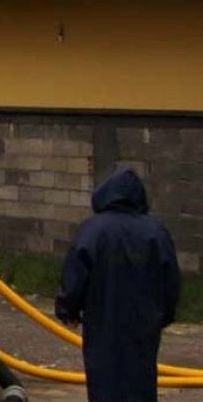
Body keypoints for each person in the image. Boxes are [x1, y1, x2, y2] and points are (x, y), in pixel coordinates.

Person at [55, 168, 180, 402]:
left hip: (103, 322)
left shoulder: (93, 230)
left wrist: (67, 310)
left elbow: (75, 275)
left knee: (105, 382)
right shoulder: (155, 232)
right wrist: (165, 315)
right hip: (144, 325)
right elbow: (170, 279)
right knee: (141, 381)